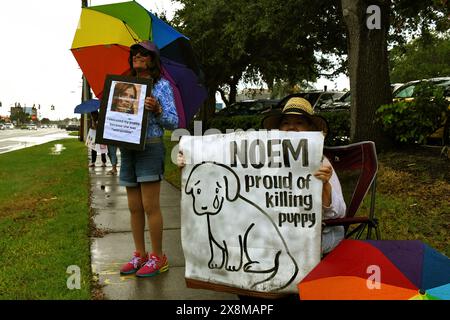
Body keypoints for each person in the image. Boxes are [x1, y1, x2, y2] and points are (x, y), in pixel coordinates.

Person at [119, 40, 178, 278]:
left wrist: (158, 109)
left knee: (150, 206)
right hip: (128, 148)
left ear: (153, 60)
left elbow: (173, 122)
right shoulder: (124, 86)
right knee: (134, 208)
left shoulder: (162, 86)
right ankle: (139, 255)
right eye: (134, 54)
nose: (137, 57)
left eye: (143, 54)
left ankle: (158, 257)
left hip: (150, 147)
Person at [261, 97, 346, 254]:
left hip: (321, 235)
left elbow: (339, 213)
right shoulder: (269, 161)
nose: (291, 127)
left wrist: (325, 185)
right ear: (279, 129)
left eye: (299, 123)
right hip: (281, 234)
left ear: (310, 129)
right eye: (285, 123)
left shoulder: (320, 161)